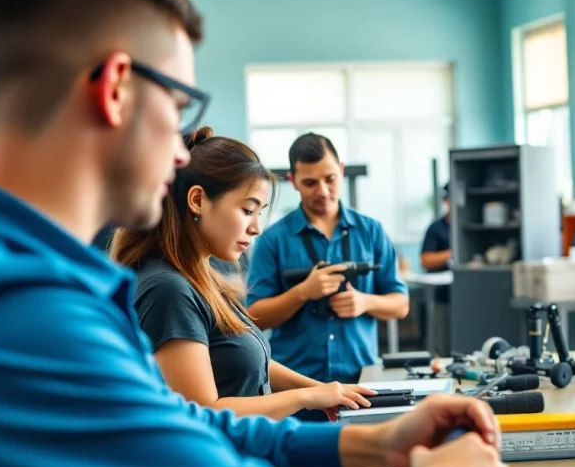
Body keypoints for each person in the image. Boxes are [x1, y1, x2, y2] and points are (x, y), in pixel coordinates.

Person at [0, 0, 513, 467]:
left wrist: (372, 442)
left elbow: (179, 425)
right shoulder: (4, 307)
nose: (183, 151)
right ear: (114, 90)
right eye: (179, 106)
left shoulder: (38, 278)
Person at [111, 126, 377, 420]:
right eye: (248, 210)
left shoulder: (201, 279)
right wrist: (307, 396)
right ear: (198, 200)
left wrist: (327, 391)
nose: (257, 228)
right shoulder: (168, 289)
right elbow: (201, 412)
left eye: (259, 213)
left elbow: (250, 360)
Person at [246, 133, 410, 385]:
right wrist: (302, 293)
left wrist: (364, 302)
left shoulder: (371, 231)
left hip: (360, 382)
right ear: (293, 181)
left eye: (330, 179)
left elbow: (401, 304)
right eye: (310, 182)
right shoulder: (272, 240)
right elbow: (255, 316)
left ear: (341, 171)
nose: (322, 191)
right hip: (295, 386)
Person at [419, 181, 452, 356]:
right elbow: (425, 260)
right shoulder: (436, 228)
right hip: (443, 297)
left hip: (467, 294)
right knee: (444, 344)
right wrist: (452, 254)